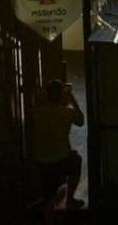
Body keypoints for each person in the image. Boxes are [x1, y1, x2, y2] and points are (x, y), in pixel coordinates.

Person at [29, 79, 84, 213]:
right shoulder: (67, 113)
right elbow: (81, 121)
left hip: (41, 159)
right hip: (62, 159)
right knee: (76, 160)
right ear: (61, 95)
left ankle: (48, 200)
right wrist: (72, 99)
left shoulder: (37, 113)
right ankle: (70, 199)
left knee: (49, 194)